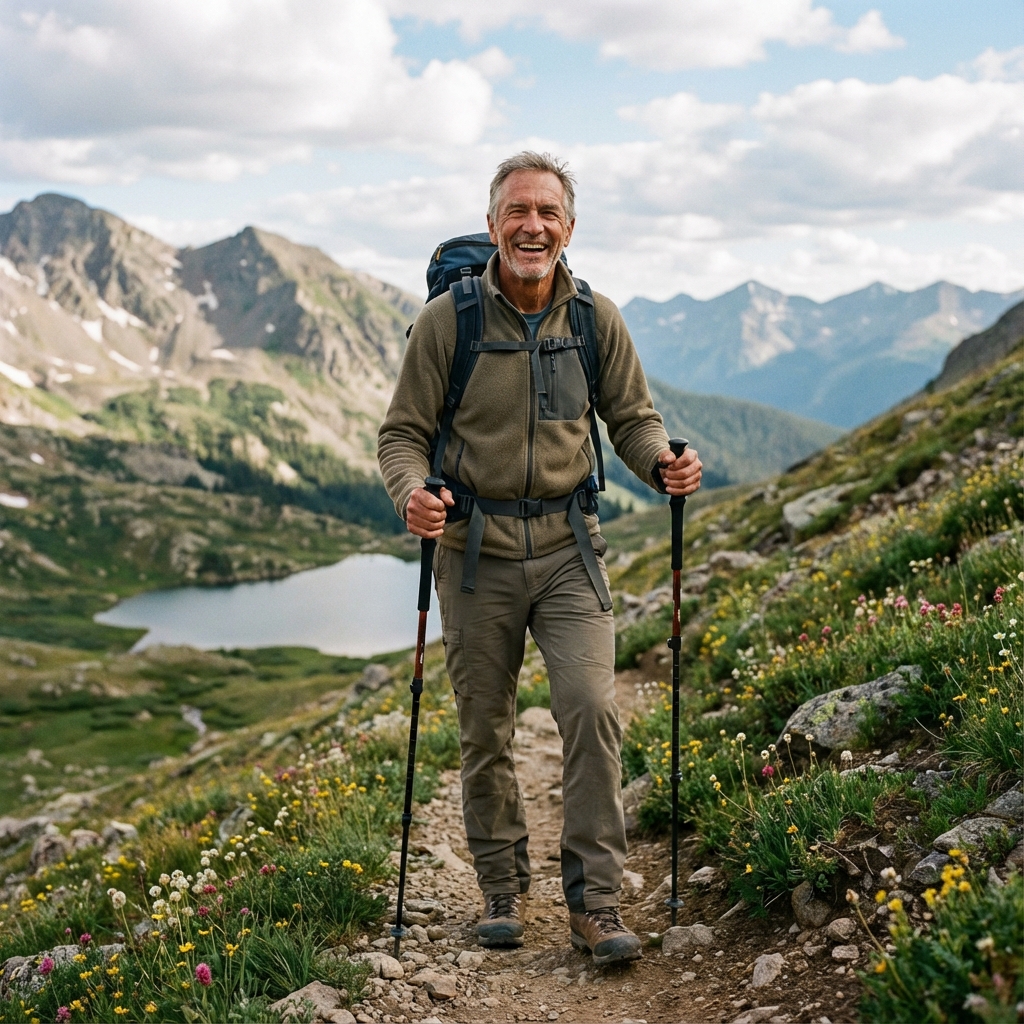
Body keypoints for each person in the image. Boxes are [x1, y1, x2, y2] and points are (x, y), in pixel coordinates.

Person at [378, 151, 702, 966]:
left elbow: (631, 419)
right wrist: (410, 492)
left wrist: (662, 461)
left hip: (569, 547)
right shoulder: (447, 322)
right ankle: (499, 884)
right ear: (493, 226)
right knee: (483, 725)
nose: (533, 226)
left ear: (568, 226)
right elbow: (403, 434)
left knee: (591, 708)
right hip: (473, 550)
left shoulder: (596, 320)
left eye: (548, 213)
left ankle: (595, 901)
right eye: (517, 212)